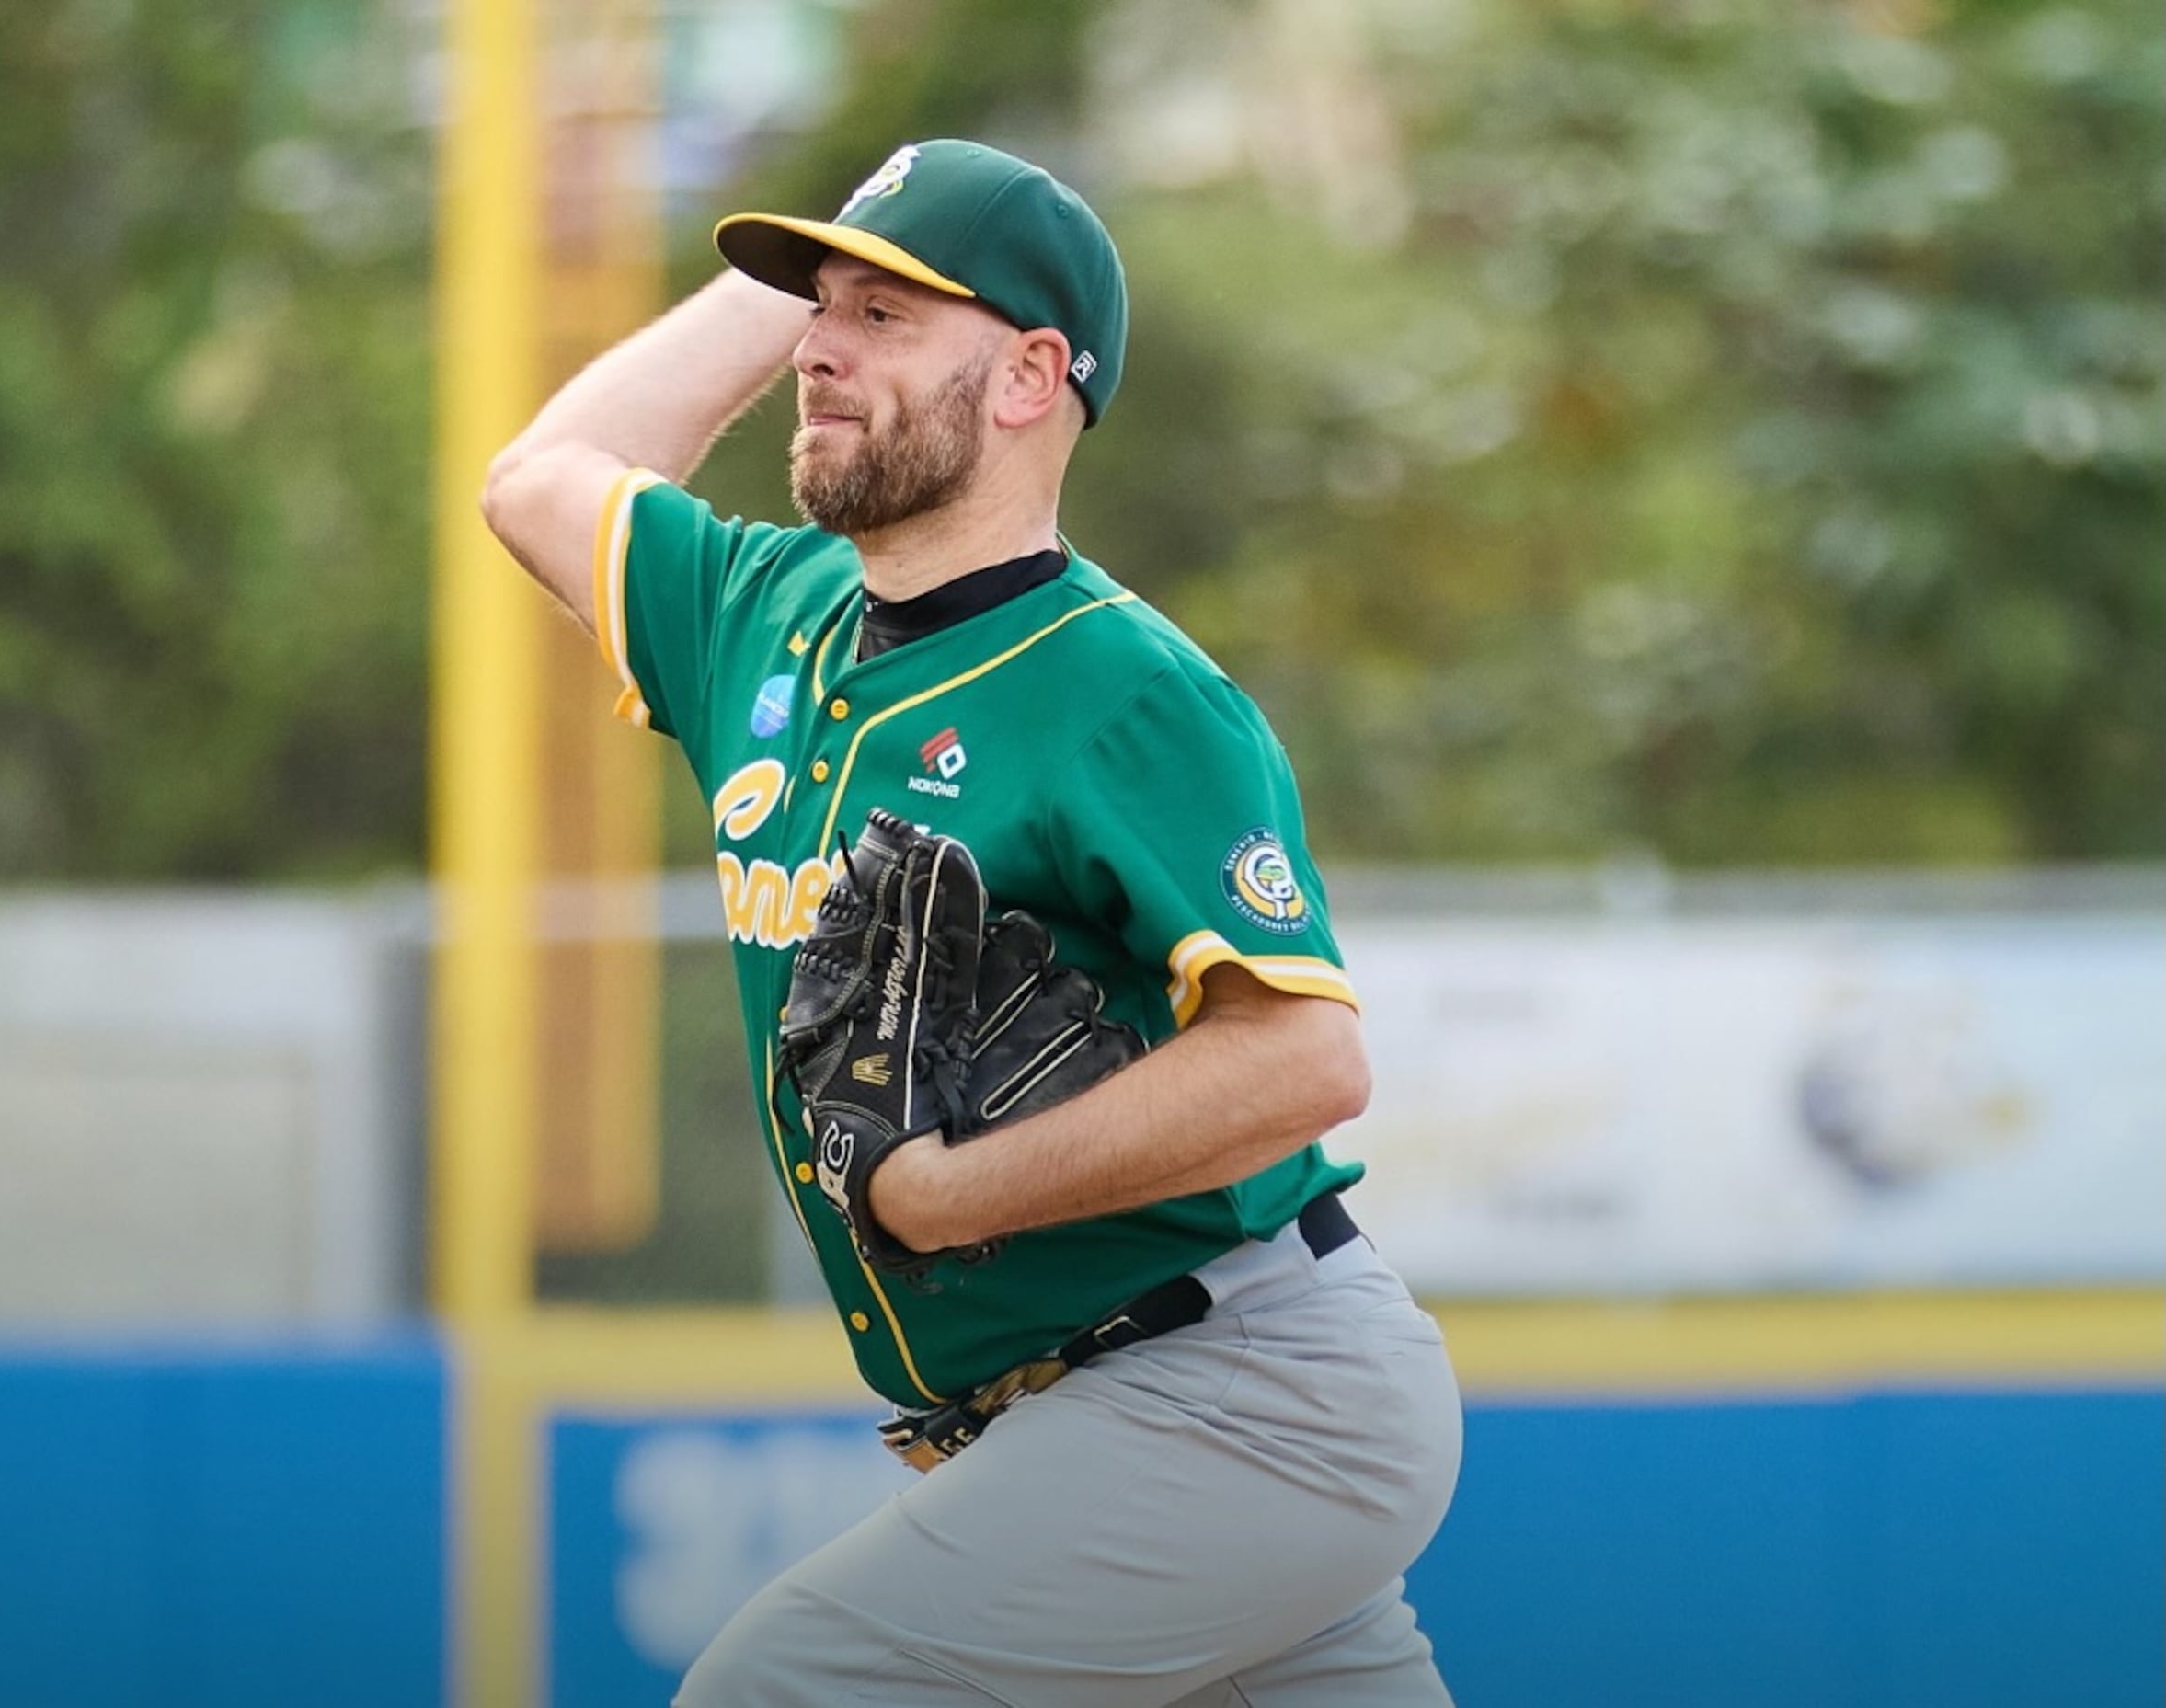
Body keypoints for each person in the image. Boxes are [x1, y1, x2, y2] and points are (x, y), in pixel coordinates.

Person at [483, 138, 1462, 1707]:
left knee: (775, 1691)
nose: (819, 346)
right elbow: (538, 478)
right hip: (1090, 1408)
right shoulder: (762, 613)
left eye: (885, 316)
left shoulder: (1127, 691)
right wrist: (783, 276)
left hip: (1241, 1382)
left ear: (1026, 377)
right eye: (822, 309)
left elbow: (1304, 1064)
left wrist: (945, 1196)